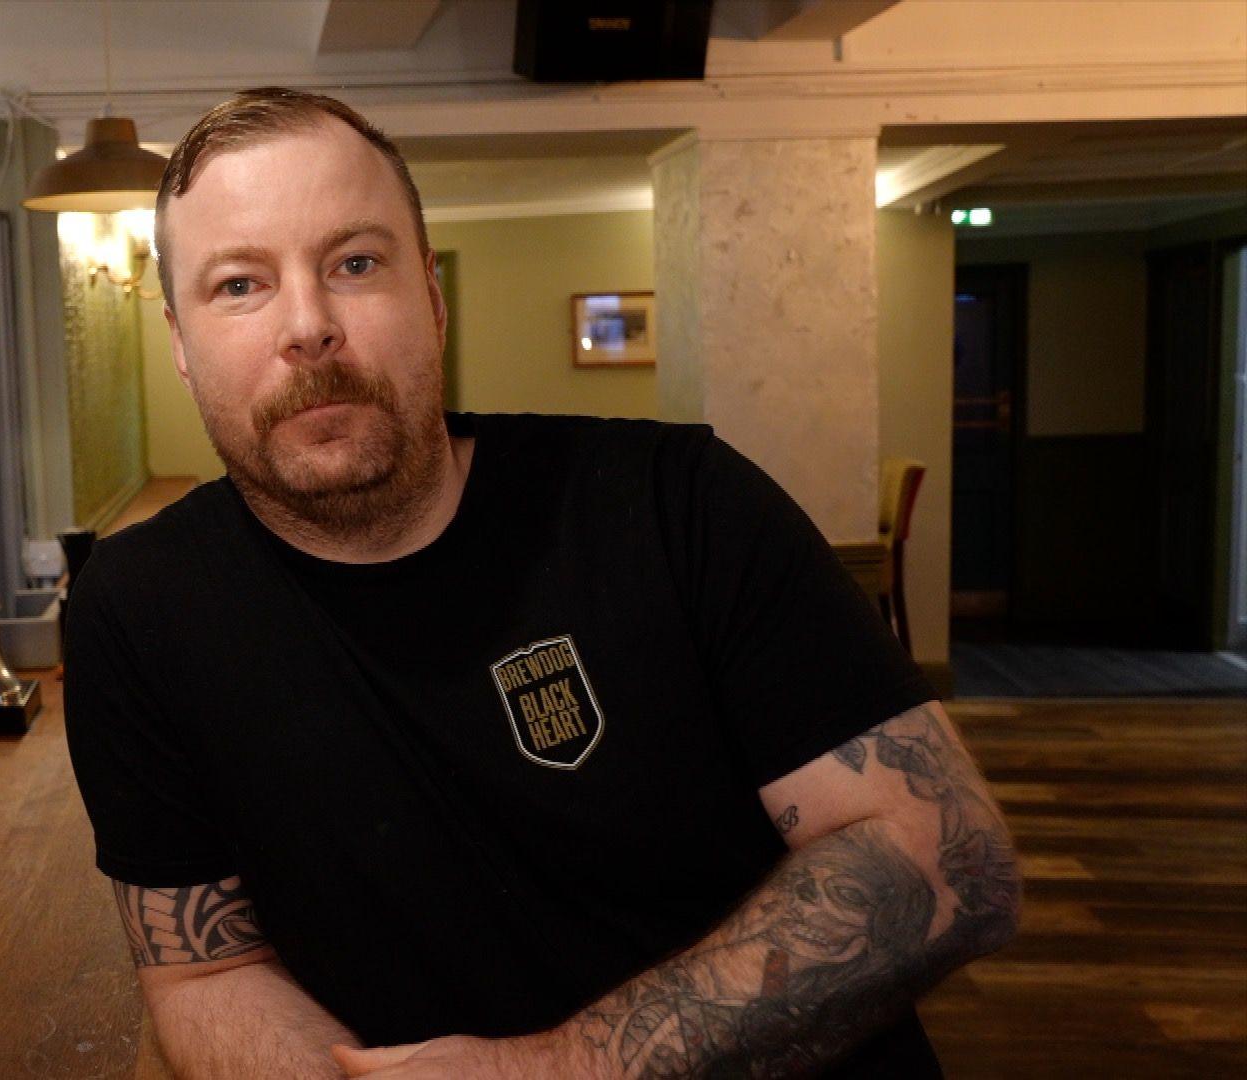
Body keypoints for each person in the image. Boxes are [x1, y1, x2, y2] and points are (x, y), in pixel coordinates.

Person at [63, 87, 1019, 1078]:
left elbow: (948, 861)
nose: (308, 326)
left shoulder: (676, 505)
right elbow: (202, 975)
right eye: (238, 285)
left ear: (430, 299)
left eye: (354, 263)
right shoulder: (139, 612)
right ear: (180, 344)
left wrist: (560, 1069)